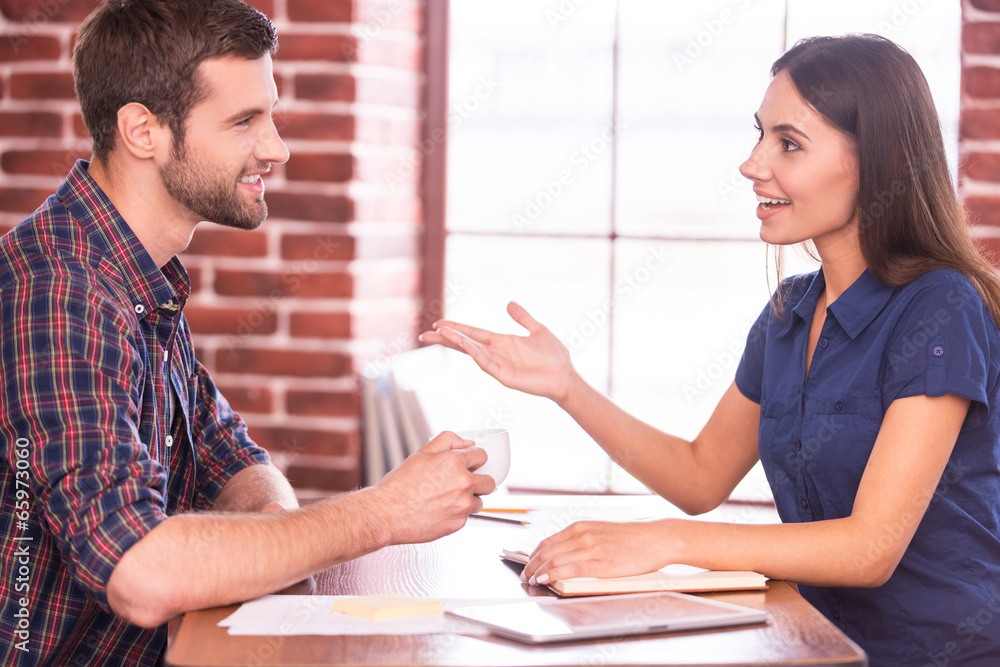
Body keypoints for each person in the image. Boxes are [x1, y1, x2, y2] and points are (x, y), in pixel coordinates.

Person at [421, 34, 1000, 665]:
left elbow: (870, 548)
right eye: (758, 136)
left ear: (877, 163)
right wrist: (568, 387)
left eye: (788, 143)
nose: (753, 164)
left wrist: (664, 542)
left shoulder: (940, 306)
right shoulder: (790, 313)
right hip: (812, 644)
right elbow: (700, 474)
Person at [0, 1, 492, 665]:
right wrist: (382, 512)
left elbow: (233, 459)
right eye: (244, 121)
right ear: (143, 131)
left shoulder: (138, 274)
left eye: (271, 113)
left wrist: (270, 531)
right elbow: (141, 573)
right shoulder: (60, 293)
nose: (277, 147)